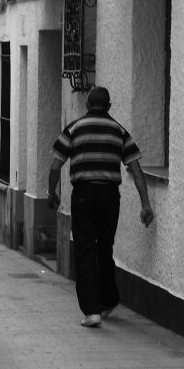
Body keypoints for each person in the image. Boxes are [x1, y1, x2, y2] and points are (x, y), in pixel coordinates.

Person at [47, 86, 154, 328]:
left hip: (83, 195)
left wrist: (51, 192)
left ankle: (92, 311)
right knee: (105, 247)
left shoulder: (74, 128)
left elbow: (55, 166)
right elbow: (135, 170)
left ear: (87, 105)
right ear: (109, 106)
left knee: (85, 250)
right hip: (109, 196)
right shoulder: (118, 130)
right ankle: (108, 299)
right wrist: (145, 204)